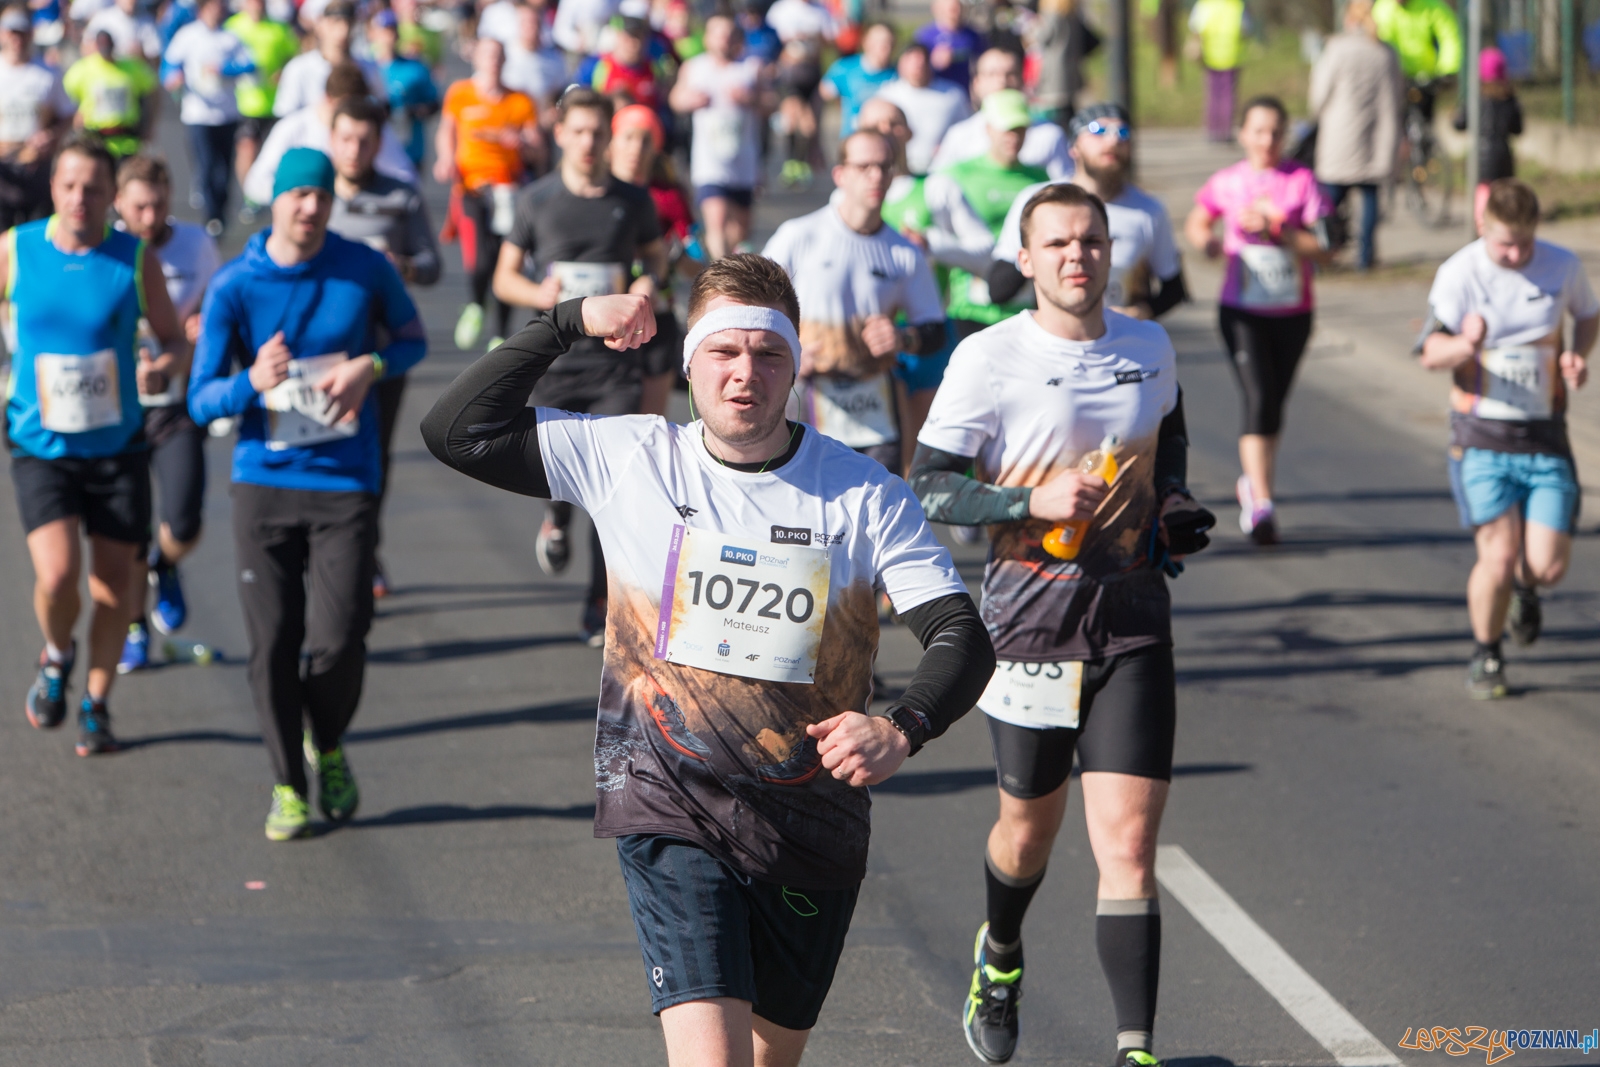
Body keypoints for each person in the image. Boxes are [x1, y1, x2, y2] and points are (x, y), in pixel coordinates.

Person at [421, 258, 995, 1067]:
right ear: (688, 361)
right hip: (671, 805)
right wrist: (568, 321)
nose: (744, 375)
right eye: (723, 352)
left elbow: (961, 634)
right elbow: (455, 431)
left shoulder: (864, 495)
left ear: (797, 367)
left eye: (767, 354)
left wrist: (902, 726)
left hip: (812, 823)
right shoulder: (632, 457)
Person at [909, 181, 1214, 1067]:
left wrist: (1176, 503)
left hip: (1132, 620)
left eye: (1091, 241)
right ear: (1029, 259)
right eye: (1058, 244)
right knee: (1028, 831)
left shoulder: (1150, 344)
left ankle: (1137, 1050)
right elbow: (928, 484)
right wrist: (1022, 496)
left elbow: (1172, 436)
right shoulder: (988, 356)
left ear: (1110, 250)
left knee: (1127, 843)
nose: (1077, 256)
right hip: (1029, 626)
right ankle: (1000, 954)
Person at [188, 147, 428, 841]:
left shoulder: (364, 268)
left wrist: (370, 365)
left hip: (346, 480)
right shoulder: (235, 285)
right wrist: (250, 383)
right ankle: (287, 784)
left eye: (320, 195)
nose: (310, 206)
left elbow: (412, 338)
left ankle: (325, 740)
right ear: (276, 201)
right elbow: (202, 401)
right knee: (272, 645)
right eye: (298, 195)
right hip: (264, 483)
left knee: (340, 639)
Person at [4, 134, 186, 755]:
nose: (81, 198)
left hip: (117, 448)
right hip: (41, 443)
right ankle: (57, 657)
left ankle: (96, 702)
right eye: (70, 185)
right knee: (58, 577)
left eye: (95, 188)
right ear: (53, 187)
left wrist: (162, 367)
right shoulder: (17, 249)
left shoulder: (133, 259)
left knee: (114, 589)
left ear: (113, 196)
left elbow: (172, 338)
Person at [489, 87, 663, 638]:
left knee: (612, 493)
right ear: (561, 134)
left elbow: (656, 260)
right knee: (561, 478)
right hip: (555, 365)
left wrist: (643, 285)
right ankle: (555, 516)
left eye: (598, 133)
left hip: (615, 366)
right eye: (579, 131)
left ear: (609, 139)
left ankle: (597, 603)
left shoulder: (633, 201)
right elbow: (503, 277)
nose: (589, 142)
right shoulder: (537, 200)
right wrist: (546, 298)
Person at [1417, 179, 1597, 699]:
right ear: (1482, 228)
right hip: (1480, 436)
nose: (1515, 254)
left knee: (1547, 565)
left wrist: (1578, 357)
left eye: (1524, 242)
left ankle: (1527, 587)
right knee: (1495, 554)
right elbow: (1429, 352)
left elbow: (1588, 316)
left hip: (1544, 435)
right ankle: (1487, 653)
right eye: (1503, 244)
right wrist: (1463, 344)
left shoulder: (1562, 266)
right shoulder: (1459, 272)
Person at [1184, 96, 1330, 545]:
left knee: (1274, 402)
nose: (1267, 140)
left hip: (1293, 310)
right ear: (1243, 134)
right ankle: (1262, 501)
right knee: (1258, 394)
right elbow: (1197, 222)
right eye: (1258, 131)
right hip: (1241, 310)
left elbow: (1324, 246)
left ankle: (1254, 481)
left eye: (1275, 132)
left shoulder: (1302, 182)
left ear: (1285, 137)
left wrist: (1278, 231)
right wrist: (1207, 244)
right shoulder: (1227, 182)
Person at [762, 129, 948, 473]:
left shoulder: (903, 252)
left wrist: (902, 338)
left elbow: (935, 330)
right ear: (840, 174)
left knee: (872, 512)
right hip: (806, 395)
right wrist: (789, 353)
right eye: (864, 167)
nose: (876, 176)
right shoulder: (800, 235)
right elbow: (753, 306)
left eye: (884, 167)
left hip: (875, 408)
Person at [326, 94, 441, 598]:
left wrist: (402, 266)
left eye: (364, 141)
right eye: (345, 139)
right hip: (323, 350)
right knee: (325, 451)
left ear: (379, 143)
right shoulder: (312, 195)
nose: (354, 150)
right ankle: (330, 551)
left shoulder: (401, 195)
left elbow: (433, 264)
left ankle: (363, 551)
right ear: (332, 139)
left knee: (374, 456)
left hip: (382, 348)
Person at [110, 155, 219, 674]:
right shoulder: (106, 250)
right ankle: (135, 629)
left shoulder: (196, 244)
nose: (149, 219)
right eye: (138, 208)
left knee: (185, 517)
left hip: (177, 400)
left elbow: (221, 304)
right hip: (117, 410)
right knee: (127, 530)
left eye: (157, 205)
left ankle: (165, 563)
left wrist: (204, 325)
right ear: (119, 204)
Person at [857, 95, 993, 469]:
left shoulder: (936, 188)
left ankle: (965, 520)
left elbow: (986, 251)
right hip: (867, 342)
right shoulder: (846, 199)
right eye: (875, 124)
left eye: (894, 123)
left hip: (928, 336)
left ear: (910, 132)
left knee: (924, 459)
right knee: (877, 462)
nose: (886, 132)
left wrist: (933, 244)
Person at [989, 103, 1188, 324]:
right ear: (1073, 146)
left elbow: (1174, 290)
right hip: (1053, 340)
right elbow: (999, 289)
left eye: (1123, 133)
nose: (1113, 140)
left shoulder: (1148, 210)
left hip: (1117, 344)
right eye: (1098, 130)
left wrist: (1138, 313)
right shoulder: (1038, 201)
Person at [436, 36, 543, 352]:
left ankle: (500, 332)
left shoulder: (519, 101)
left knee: (505, 259)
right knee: (480, 258)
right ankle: (475, 305)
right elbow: (447, 131)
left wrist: (522, 143)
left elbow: (538, 148)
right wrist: (445, 158)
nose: (492, 62)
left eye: (498, 56)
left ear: (505, 61)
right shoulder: (461, 93)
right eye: (487, 56)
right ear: (476, 59)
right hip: (471, 188)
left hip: (508, 190)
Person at [931, 89, 1048, 341]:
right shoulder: (958, 175)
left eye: (1020, 129)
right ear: (987, 129)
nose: (1013, 137)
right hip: (971, 310)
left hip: (1027, 310)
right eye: (1006, 129)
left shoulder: (1041, 178)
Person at [609, 102, 697, 418]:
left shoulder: (669, 196)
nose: (636, 148)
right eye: (628, 137)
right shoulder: (596, 191)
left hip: (655, 315)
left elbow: (697, 263)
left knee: (650, 423)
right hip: (603, 320)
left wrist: (669, 257)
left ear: (657, 146)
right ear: (613, 142)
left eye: (645, 139)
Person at [243, 61, 419, 209]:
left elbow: (406, 177)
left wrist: (372, 194)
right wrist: (300, 195)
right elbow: (255, 183)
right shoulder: (293, 127)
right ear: (327, 98)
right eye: (342, 107)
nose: (354, 148)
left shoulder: (372, 129)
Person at [1309, 0, 1403, 271]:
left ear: (1349, 18)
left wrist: (1316, 114)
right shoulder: (1386, 53)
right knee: (1370, 196)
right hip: (1376, 133)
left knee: (1330, 200)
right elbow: (1397, 96)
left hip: (1341, 134)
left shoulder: (1337, 49)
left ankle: (1322, 253)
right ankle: (1366, 256)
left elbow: (1319, 93)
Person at [670, 13, 766, 260]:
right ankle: (721, 275)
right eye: (718, 34)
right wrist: (689, 100)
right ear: (707, 38)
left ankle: (729, 262)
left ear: (737, 38)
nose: (724, 40)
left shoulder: (750, 67)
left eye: (729, 34)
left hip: (743, 161)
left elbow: (771, 103)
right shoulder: (694, 67)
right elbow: (675, 99)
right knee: (717, 219)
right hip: (709, 161)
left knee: (741, 229)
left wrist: (751, 99)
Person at [162, 0, 254, 236]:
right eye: (212, 7)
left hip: (227, 113)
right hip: (197, 113)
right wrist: (173, 77)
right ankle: (211, 215)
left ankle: (221, 212)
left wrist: (225, 69)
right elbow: (169, 64)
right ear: (201, 10)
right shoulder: (188, 36)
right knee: (206, 164)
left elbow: (250, 64)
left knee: (224, 167)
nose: (217, 11)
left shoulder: (230, 37)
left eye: (219, 7)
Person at [931, 48, 1073, 180]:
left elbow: (1065, 188)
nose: (1002, 82)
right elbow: (936, 186)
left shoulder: (1049, 135)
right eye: (992, 74)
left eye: (1011, 74)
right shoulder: (959, 136)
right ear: (976, 83)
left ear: (1023, 80)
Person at [0, 6, 75, 233]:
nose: (17, 39)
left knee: (36, 234)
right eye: (12, 32)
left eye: (22, 32)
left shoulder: (47, 73)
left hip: (36, 165)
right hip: (3, 169)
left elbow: (68, 113)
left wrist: (51, 136)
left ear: (31, 33)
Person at [225, 0, 298, 203]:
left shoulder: (280, 28)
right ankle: (250, 196)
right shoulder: (232, 27)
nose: (256, 5)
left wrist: (284, 71)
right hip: (245, 103)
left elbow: (294, 56)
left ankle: (275, 193)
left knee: (276, 152)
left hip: (276, 103)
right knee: (247, 148)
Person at [271, 0, 384, 118]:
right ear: (319, 24)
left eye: (349, 22)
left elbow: (381, 112)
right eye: (335, 22)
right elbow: (284, 118)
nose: (343, 31)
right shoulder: (298, 69)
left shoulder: (369, 68)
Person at [765, 0, 835, 188]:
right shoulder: (780, 9)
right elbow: (770, 40)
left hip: (812, 74)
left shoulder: (821, 10)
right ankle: (791, 164)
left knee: (809, 124)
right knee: (792, 117)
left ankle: (800, 163)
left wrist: (814, 38)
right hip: (789, 77)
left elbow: (831, 40)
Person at [874, 42, 971, 176]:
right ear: (901, 64)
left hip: (942, 171)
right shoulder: (886, 96)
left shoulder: (953, 94)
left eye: (922, 60)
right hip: (898, 170)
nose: (918, 66)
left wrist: (949, 148)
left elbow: (966, 130)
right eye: (911, 60)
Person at [1453, 47, 1522, 233]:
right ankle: (1504, 226)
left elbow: (1459, 123)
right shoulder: (1509, 98)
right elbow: (1518, 128)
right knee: (1504, 196)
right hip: (1503, 154)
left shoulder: (1476, 98)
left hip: (1481, 156)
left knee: (1483, 194)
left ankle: (1483, 230)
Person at [62, 29, 157, 159]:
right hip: (95, 140)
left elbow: (153, 91)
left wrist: (149, 125)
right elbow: (63, 97)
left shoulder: (131, 67)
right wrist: (75, 117)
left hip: (127, 140)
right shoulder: (82, 69)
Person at [369, 8, 441, 169]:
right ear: (372, 34)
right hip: (375, 150)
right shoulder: (365, 68)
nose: (389, 37)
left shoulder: (416, 68)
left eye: (392, 31)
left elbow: (434, 103)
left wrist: (413, 111)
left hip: (410, 148)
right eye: (384, 31)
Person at [1188, 0, 1251, 142]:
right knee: (1228, 95)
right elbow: (1246, 28)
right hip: (1232, 55)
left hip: (1210, 55)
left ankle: (1213, 129)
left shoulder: (1205, 4)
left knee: (1212, 94)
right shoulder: (1236, 5)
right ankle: (1225, 130)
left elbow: (1195, 26)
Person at [1028, 0, 1098, 126]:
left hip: (1054, 74)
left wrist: (1033, 25)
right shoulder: (1073, 16)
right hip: (1071, 72)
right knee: (1068, 109)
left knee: (1056, 114)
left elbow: (1040, 37)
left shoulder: (1051, 15)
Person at [820, 21, 895, 136]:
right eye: (878, 41)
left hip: (885, 140)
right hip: (852, 136)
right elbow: (825, 91)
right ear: (866, 42)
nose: (884, 46)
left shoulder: (897, 74)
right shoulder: (845, 68)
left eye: (888, 42)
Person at [502, 0, 568, 114]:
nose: (530, 27)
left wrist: (555, 109)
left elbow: (562, 89)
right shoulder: (504, 54)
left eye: (534, 22)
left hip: (542, 119)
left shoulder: (553, 58)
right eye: (525, 22)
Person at [915, 0, 985, 90]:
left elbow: (982, 60)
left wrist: (954, 56)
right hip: (933, 91)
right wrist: (933, 61)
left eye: (959, 8)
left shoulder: (973, 36)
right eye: (952, 9)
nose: (957, 12)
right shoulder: (924, 35)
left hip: (963, 90)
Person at [82, 0, 160, 63]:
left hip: (133, 74)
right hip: (104, 73)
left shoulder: (147, 22)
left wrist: (140, 54)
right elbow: (86, 46)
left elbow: (154, 56)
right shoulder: (102, 18)